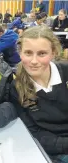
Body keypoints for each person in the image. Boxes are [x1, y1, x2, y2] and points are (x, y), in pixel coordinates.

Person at [10, 26, 68, 163]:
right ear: (20, 53)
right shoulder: (16, 88)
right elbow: (33, 132)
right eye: (28, 53)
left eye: (42, 54)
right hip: (51, 151)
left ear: (53, 53)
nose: (34, 61)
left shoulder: (66, 72)